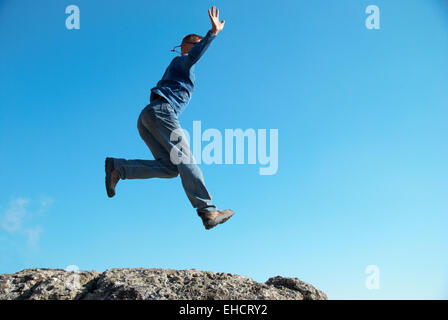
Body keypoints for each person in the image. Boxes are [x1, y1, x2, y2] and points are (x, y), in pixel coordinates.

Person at [105, 6, 234, 230]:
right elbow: (194, 55)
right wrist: (213, 33)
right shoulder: (182, 61)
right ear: (188, 46)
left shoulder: (179, 69)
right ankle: (208, 211)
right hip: (161, 112)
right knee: (186, 159)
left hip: (149, 117)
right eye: (197, 44)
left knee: (170, 168)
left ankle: (119, 168)